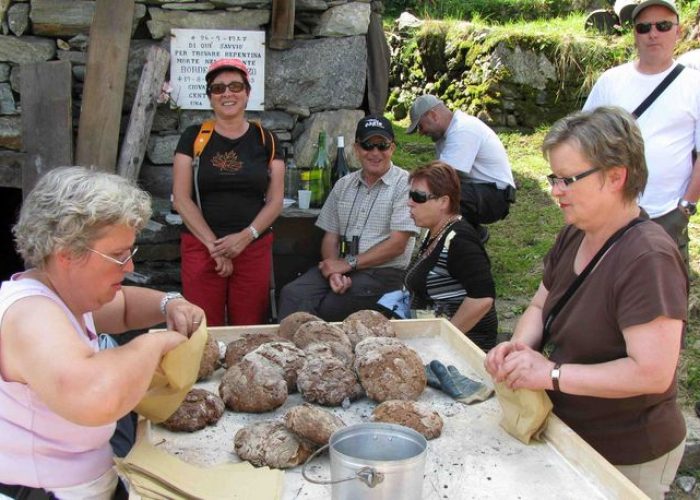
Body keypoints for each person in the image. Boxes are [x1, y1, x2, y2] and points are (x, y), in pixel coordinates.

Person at [484, 107, 687, 499]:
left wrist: (551, 374)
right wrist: (520, 349)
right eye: (553, 178)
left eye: (568, 180)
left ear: (616, 176)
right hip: (569, 432)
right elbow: (541, 307)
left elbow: (651, 374)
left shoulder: (649, 258)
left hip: (625, 452)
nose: (555, 191)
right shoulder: (576, 233)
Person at [0, 167, 204, 499]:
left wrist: (170, 303)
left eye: (130, 254)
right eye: (118, 256)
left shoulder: (67, 296)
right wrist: (153, 344)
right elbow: (94, 395)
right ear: (67, 253)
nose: (129, 268)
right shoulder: (30, 314)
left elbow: (123, 308)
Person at [582, 0, 700, 266]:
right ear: (635, 33)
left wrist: (686, 206)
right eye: (644, 27)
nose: (653, 33)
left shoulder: (694, 85)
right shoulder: (611, 81)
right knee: (608, 286)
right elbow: (583, 139)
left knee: (664, 294)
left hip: (667, 211)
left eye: (663, 25)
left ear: (678, 32)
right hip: (610, 208)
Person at [172, 57, 284, 326]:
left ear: (247, 93)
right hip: (202, 246)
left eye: (235, 86)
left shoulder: (266, 140)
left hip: (252, 246)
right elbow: (181, 197)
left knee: (249, 325)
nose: (227, 94)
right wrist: (214, 247)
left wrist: (246, 236)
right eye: (218, 88)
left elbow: (275, 199)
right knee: (201, 325)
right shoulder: (194, 137)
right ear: (209, 97)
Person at [278, 115, 418, 322]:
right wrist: (333, 270)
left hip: (383, 272)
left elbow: (397, 245)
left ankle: (329, 350)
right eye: (368, 145)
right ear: (356, 149)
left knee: (332, 306)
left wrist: (348, 264)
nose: (375, 152)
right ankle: (291, 351)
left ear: (393, 148)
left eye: (382, 146)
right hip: (344, 266)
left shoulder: (404, 184)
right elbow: (330, 237)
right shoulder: (343, 184)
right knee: (293, 294)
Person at [404, 161, 498, 351]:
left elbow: (483, 298)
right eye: (410, 194)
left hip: (463, 348)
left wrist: (444, 337)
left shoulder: (459, 239)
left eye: (418, 196)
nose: (410, 202)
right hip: (430, 337)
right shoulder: (436, 231)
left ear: (443, 202)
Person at [406, 94, 516, 236]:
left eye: (420, 126)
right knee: (435, 195)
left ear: (433, 115)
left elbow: (442, 179)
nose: (421, 133)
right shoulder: (445, 136)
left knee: (437, 197)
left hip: (495, 196)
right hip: (481, 191)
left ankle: (470, 236)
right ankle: (467, 234)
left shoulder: (463, 129)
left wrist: (409, 186)